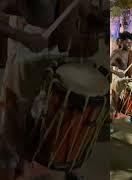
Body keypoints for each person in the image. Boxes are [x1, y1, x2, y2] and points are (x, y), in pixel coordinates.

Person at [0, 0, 105, 179]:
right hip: (28, 46)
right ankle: (9, 165)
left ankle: (32, 160)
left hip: (60, 49)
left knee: (48, 110)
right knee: (16, 113)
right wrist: (23, 38)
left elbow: (83, 8)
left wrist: (96, 19)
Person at [110, 31, 132, 126]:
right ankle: (110, 124)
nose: (129, 45)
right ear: (121, 42)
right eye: (127, 42)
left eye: (131, 43)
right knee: (115, 102)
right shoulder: (116, 52)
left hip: (127, 79)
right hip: (118, 79)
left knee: (131, 98)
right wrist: (117, 72)